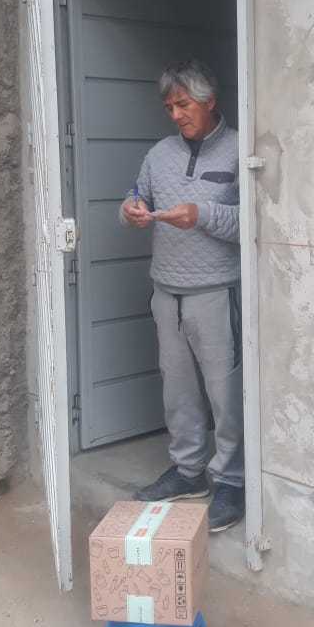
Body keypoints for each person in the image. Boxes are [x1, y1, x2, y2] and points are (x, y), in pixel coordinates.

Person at [120, 59, 244, 532]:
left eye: (184, 104)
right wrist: (131, 210)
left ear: (209, 102)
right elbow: (135, 196)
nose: (175, 114)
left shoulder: (239, 150)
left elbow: (254, 222)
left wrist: (203, 215)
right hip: (166, 291)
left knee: (226, 393)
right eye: (169, 107)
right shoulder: (159, 154)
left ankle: (232, 480)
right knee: (178, 390)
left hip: (215, 291)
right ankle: (188, 471)